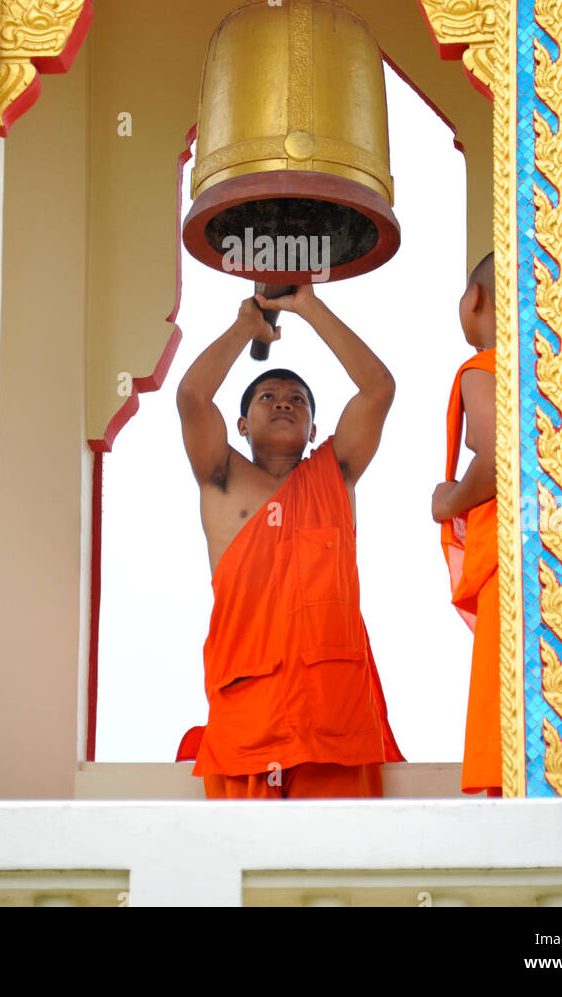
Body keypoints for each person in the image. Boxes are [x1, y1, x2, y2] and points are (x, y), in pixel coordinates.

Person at [175, 283, 403, 799]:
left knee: (337, 870)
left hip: (334, 715)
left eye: (297, 399)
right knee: (248, 867)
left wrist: (306, 306)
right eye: (268, 398)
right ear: (241, 423)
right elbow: (192, 397)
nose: (284, 403)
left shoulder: (335, 473)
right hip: (248, 715)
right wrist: (245, 329)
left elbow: (378, 389)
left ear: (314, 425)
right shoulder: (221, 476)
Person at [431, 251, 501, 797]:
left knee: (508, 692)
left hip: (513, 562)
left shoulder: (482, 368)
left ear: (473, 299)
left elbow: (497, 453)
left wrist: (451, 500)